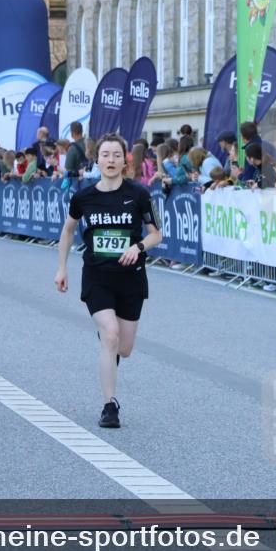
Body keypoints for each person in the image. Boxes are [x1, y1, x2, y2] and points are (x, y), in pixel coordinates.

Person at [54, 134, 162, 428]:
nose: (111, 160)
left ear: (125, 160)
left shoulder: (139, 194)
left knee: (123, 349)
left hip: (131, 279)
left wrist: (138, 247)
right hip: (97, 277)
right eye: (105, 155)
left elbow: (156, 234)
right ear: (97, 160)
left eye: (116, 155)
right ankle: (109, 405)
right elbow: (68, 231)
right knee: (111, 335)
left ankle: (108, 341)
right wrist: (61, 268)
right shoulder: (83, 197)